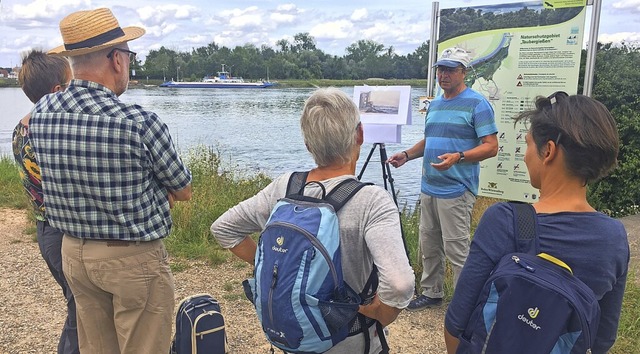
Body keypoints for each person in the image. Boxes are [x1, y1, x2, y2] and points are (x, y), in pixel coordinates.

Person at [28, 8, 192, 354]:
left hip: (73, 251)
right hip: (131, 258)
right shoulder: (138, 122)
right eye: (129, 57)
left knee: (96, 348)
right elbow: (184, 189)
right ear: (117, 60)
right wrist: (156, 192)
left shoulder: (42, 112)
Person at [210, 87, 415, 353]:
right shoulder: (372, 201)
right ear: (360, 135)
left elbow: (223, 229)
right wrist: (384, 314)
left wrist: (285, 268)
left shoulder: (286, 187)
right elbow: (400, 285)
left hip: (295, 336)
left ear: (308, 144)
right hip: (350, 340)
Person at [444, 92, 629, 354]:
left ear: (549, 151)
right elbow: (602, 339)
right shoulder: (614, 237)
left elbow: (456, 323)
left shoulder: (504, 220)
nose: (524, 155)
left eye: (528, 144)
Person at [387, 47, 498, 311]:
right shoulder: (435, 104)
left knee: (458, 250)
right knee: (429, 243)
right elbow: (431, 140)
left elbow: (491, 146)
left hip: (457, 190)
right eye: (440, 69)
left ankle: (464, 303)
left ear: (464, 72)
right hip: (430, 187)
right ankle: (432, 292)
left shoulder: (477, 103)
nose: (443, 74)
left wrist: (459, 156)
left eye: (450, 69)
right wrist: (406, 155)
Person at [12, 49, 79, 354]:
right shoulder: (52, 131)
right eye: (71, 83)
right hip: (63, 232)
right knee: (81, 312)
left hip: (45, 231)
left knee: (77, 305)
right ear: (57, 92)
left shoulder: (21, 128)